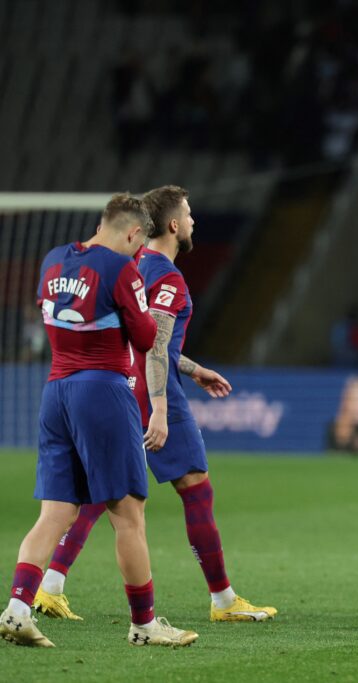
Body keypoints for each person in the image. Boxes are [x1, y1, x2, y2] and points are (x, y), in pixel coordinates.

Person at [32, 186, 276, 624]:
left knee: (97, 491)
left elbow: (144, 339)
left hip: (113, 387)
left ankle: (50, 586)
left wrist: (193, 366)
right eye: (189, 214)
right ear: (174, 226)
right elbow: (156, 349)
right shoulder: (167, 276)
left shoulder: (130, 263)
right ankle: (223, 600)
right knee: (196, 488)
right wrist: (161, 407)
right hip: (147, 393)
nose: (195, 221)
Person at [1, 194, 197, 648]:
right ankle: (145, 624)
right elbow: (147, 337)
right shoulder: (120, 269)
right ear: (132, 233)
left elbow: (53, 313)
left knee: (56, 512)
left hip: (56, 391)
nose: (139, 254)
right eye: (138, 244)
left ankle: (16, 609)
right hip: (104, 392)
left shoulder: (54, 260)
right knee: (128, 514)